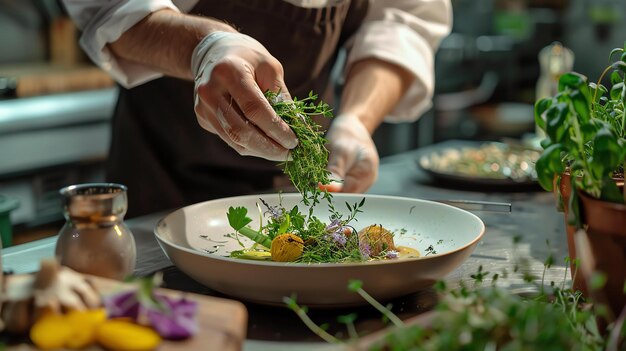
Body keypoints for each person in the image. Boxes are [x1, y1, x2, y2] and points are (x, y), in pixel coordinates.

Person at [61, 0, 452, 218]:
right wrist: (204, 47)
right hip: (163, 173)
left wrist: (356, 120)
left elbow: (403, 21)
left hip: (296, 187)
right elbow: (112, 10)